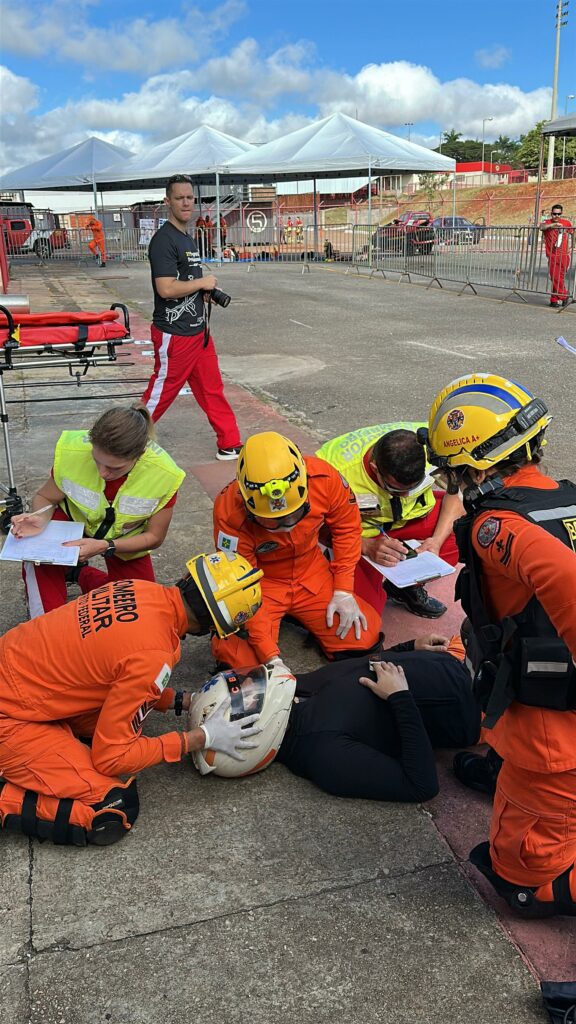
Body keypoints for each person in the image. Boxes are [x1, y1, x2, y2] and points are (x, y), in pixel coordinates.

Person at [420, 372, 576, 918]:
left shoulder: (499, 528)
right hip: (539, 699)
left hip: (556, 734)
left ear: (479, 469)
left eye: (453, 471)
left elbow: (565, 578)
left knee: (520, 880)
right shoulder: (563, 499)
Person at [0, 550, 263, 847]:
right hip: (9, 718)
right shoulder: (154, 653)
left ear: (188, 577)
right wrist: (198, 739)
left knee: (124, 727)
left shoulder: (139, 588)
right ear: (215, 626)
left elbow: (117, 674)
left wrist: (182, 700)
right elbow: (111, 757)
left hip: (19, 681)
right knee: (113, 807)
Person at [188, 632, 480, 800]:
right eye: (247, 696)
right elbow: (421, 785)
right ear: (256, 730)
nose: (252, 684)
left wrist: (408, 648)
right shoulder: (323, 754)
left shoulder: (289, 694)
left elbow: (355, 670)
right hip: (481, 706)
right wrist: (400, 698)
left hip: (453, 656)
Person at [211, 431, 383, 671]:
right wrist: (271, 657)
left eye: (294, 514)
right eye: (273, 521)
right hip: (261, 584)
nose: (286, 526)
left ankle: (300, 614)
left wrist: (343, 590)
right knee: (243, 660)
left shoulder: (325, 478)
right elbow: (243, 584)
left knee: (363, 635)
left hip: (310, 571)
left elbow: (347, 530)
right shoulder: (229, 511)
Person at [10, 404, 185, 618]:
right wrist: (39, 517)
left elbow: (154, 537)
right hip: (72, 521)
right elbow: (45, 497)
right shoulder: (73, 453)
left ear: (140, 455)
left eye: (114, 468)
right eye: (96, 460)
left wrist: (106, 546)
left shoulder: (165, 475)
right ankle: (46, 619)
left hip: (122, 540)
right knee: (38, 568)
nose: (102, 473)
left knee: (141, 608)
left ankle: (80, 573)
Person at [141, 175, 242, 461]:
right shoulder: (164, 241)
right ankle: (124, 442)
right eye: (179, 198)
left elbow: (185, 283)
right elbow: (166, 288)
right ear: (168, 202)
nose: (186, 203)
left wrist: (204, 293)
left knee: (212, 388)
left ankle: (229, 442)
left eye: (189, 198)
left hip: (198, 331)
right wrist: (202, 283)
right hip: (175, 333)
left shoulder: (186, 237)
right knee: (160, 394)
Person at [316, 423, 461, 618]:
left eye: (414, 486)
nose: (406, 495)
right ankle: (329, 569)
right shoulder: (329, 472)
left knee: (462, 530)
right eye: (396, 489)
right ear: (374, 468)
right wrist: (366, 546)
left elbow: (457, 493)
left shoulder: (437, 443)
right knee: (365, 614)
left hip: (410, 520)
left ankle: (405, 586)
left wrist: (436, 541)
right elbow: (313, 528)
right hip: (356, 536)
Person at [539, 204, 573, 308]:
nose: (556, 216)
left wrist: (573, 245)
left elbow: (573, 233)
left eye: (558, 214)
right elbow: (541, 227)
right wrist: (553, 225)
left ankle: (554, 300)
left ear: (561, 213)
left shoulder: (566, 223)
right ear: (551, 213)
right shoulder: (547, 222)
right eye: (554, 214)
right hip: (552, 255)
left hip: (564, 255)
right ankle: (564, 295)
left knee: (559, 278)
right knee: (555, 277)